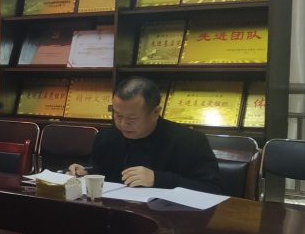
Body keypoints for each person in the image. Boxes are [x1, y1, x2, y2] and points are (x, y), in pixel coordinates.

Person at [68, 77, 224, 194]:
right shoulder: (107, 137)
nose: (123, 124)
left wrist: (158, 179)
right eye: (118, 115)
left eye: (132, 118)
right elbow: (100, 170)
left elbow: (212, 189)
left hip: (169, 220)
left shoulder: (190, 141)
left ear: (156, 112)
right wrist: (86, 172)